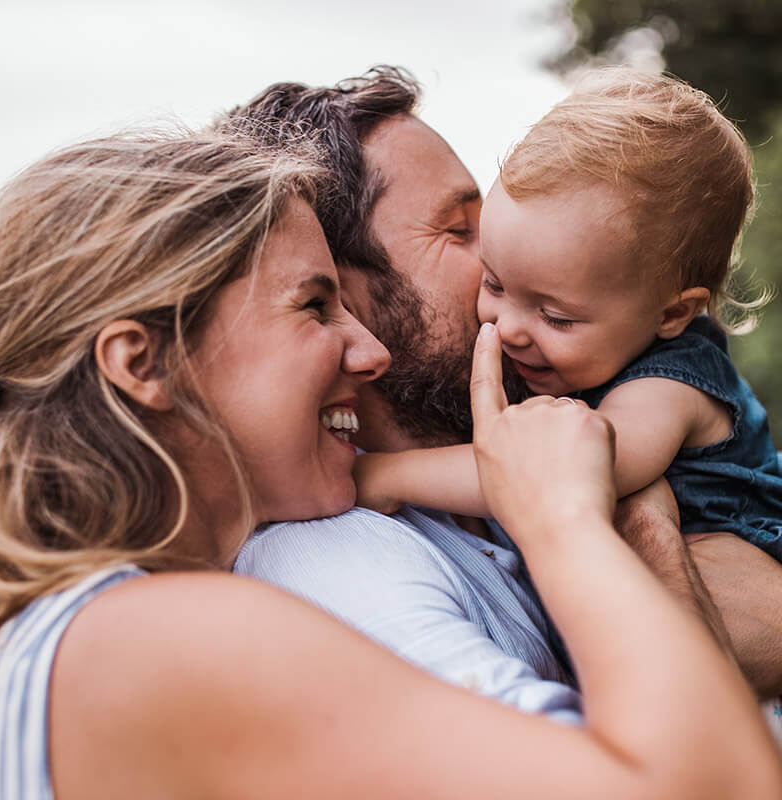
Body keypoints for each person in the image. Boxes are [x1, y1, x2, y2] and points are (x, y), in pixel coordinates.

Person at [0, 125, 778, 800]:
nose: (369, 349)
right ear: (143, 362)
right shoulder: (159, 639)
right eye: (313, 305)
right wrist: (564, 515)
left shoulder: (100, 631)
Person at [225, 66, 782, 702]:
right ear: (339, 287)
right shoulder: (341, 560)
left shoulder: (661, 379)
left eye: (557, 313)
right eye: (466, 238)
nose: (507, 302)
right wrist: (651, 534)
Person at [355, 69, 782, 562]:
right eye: (493, 283)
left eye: (556, 317)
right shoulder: (590, 355)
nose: (507, 328)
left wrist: (388, 475)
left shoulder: (669, 389)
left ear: (673, 313)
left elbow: (551, 471)